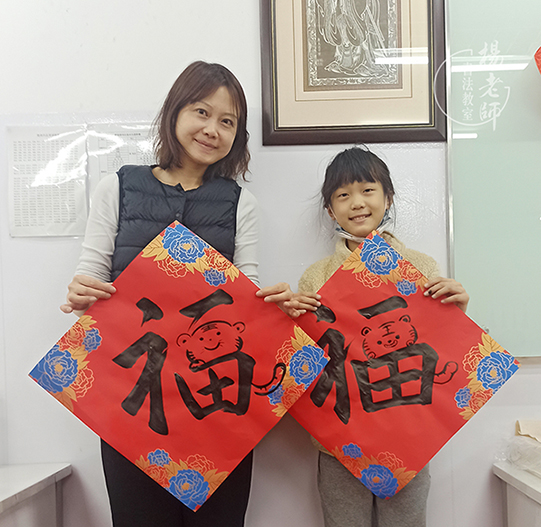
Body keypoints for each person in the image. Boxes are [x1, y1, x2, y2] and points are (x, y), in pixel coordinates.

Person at [60, 61, 284, 527]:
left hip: (217, 395)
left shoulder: (240, 202)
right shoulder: (118, 187)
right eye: (202, 112)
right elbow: (90, 276)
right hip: (133, 396)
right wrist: (82, 294)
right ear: (175, 111)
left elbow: (246, 294)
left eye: (227, 121)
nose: (212, 129)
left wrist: (274, 306)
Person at [285, 146, 469, 527]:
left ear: (388, 198)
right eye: (343, 195)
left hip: (409, 435)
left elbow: (438, 346)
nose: (357, 202)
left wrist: (458, 311)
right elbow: (305, 364)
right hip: (341, 441)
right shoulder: (317, 277)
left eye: (368, 190)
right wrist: (291, 321)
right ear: (330, 209)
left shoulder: (420, 267)